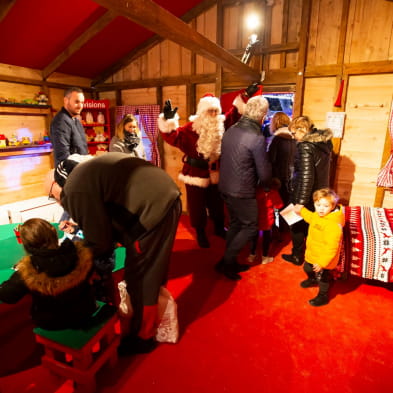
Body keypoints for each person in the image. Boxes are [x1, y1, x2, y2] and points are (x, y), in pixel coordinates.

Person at [44, 153, 182, 355]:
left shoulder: (73, 190)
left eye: (51, 196)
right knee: (153, 268)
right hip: (164, 198)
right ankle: (152, 322)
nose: (56, 201)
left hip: (153, 210)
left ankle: (142, 337)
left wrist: (76, 258)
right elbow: (107, 214)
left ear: (56, 185)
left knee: (141, 278)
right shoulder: (84, 174)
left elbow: (100, 243)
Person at [157, 83, 260, 249]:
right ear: (202, 112)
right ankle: (200, 233)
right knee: (197, 206)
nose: (213, 114)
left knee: (217, 203)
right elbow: (172, 136)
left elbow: (235, 113)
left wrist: (246, 95)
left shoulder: (221, 124)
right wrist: (168, 120)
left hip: (216, 172)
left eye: (215, 111)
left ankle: (219, 228)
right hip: (195, 173)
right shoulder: (191, 128)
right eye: (209, 111)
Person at [0, 218, 97, 330]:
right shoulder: (80, 252)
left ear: (27, 244)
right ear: (54, 233)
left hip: (53, 322)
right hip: (87, 309)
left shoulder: (31, 269)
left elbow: (8, 296)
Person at [216, 95, 271, 280]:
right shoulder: (256, 137)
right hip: (242, 190)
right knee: (250, 226)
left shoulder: (231, 129)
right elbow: (264, 174)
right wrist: (268, 184)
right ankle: (226, 262)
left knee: (235, 223)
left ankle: (227, 262)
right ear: (263, 115)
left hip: (225, 186)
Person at [282, 116, 333, 266]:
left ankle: (297, 256)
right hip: (318, 193)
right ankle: (310, 255)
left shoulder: (305, 146)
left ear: (302, 130)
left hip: (305, 194)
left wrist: (300, 202)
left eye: (293, 133)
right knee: (309, 226)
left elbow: (306, 176)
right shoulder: (323, 143)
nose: (293, 137)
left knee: (296, 225)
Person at [293, 188, 345, 306]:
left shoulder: (333, 225)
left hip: (324, 259)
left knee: (323, 278)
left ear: (332, 206)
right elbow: (311, 217)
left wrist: (322, 262)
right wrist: (302, 211)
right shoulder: (318, 215)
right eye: (318, 205)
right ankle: (312, 280)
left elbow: (331, 248)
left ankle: (323, 296)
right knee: (307, 268)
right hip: (313, 253)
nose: (321, 208)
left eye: (325, 206)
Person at [248, 177, 284, 264]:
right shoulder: (274, 193)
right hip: (268, 220)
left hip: (256, 218)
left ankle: (252, 255)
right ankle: (264, 257)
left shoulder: (257, 191)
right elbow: (279, 205)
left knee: (254, 238)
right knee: (266, 239)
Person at [50, 87, 88, 166]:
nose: (80, 106)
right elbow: (63, 156)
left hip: (81, 170)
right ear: (66, 100)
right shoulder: (61, 121)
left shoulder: (75, 120)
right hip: (71, 173)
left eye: (82, 102)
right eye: (77, 102)